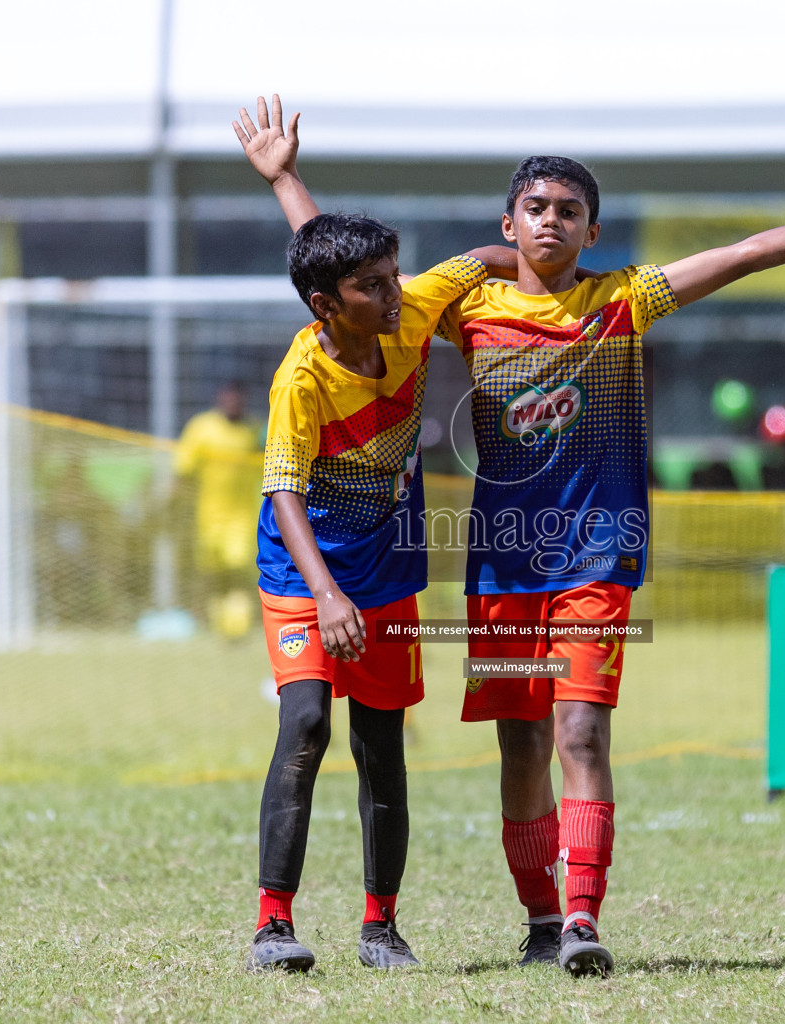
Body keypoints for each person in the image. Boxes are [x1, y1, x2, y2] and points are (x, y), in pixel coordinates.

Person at [246, 97, 785, 976]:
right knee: (521, 743)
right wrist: (285, 179)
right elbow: (343, 276)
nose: (552, 221)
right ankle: (541, 919)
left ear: (593, 231)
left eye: (570, 211)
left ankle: (584, 921)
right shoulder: (464, 306)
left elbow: (744, 255)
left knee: (581, 732)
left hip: (596, 553)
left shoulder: (625, 299)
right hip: (502, 566)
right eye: (537, 209)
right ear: (508, 223)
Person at [233, 98, 535, 974]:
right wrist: (325, 596)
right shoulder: (302, 378)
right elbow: (284, 493)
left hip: (393, 563)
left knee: (382, 742)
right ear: (327, 307)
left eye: (396, 275)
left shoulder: (401, 310)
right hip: (306, 567)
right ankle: (273, 927)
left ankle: (380, 926)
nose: (397, 294)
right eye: (375, 287)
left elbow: (478, 259)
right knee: (304, 724)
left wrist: (550, 274)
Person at [173, 382, 264, 640]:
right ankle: (219, 625)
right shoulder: (201, 428)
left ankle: (238, 626)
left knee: (236, 573)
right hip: (208, 520)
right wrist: (174, 503)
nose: (233, 404)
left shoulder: (255, 430)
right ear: (220, 398)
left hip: (243, 520)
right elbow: (183, 470)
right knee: (213, 575)